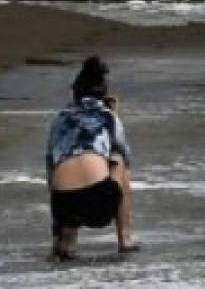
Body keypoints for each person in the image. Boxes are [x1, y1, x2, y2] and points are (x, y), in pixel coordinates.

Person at [44, 56, 139, 259]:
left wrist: (57, 223)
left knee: (63, 168)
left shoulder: (59, 119)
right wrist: (114, 114)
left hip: (64, 203)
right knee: (119, 160)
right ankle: (125, 239)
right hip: (98, 203)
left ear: (75, 94)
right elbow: (126, 154)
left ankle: (66, 243)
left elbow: (50, 170)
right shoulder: (108, 116)